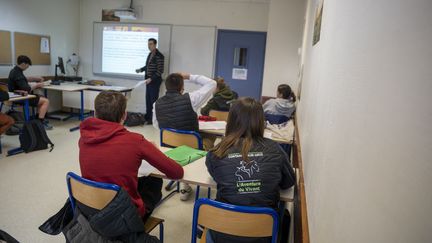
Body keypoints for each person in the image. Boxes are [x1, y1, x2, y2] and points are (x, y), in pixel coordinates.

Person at [79, 91, 184, 221]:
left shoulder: (84, 139)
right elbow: (177, 173)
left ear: (95, 113)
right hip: (125, 217)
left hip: (92, 208)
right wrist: (152, 150)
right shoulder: (136, 141)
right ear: (124, 115)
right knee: (154, 181)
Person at [205, 97, 296, 243]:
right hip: (263, 235)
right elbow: (288, 183)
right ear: (261, 122)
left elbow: (218, 176)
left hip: (222, 234)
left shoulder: (216, 152)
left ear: (231, 120)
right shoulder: (275, 149)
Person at [153, 72, 216, 200]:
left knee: (183, 139)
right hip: (192, 149)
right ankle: (194, 176)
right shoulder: (191, 99)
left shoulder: (156, 104)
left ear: (166, 87)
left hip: (169, 147)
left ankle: (184, 183)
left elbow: (157, 126)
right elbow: (212, 83)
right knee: (210, 138)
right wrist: (188, 76)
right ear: (182, 87)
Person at [8, 55, 52, 130]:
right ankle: (40, 124)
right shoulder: (17, 73)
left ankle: (37, 120)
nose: (27, 68)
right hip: (20, 98)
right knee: (46, 101)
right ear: (23, 64)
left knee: (42, 98)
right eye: (27, 66)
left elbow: (24, 79)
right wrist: (38, 84)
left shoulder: (15, 71)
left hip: (16, 95)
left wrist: (36, 78)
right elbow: (27, 89)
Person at [136, 38, 165, 124]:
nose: (149, 46)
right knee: (147, 100)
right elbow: (147, 66)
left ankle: (153, 119)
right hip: (148, 80)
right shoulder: (150, 54)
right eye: (148, 44)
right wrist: (141, 69)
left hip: (154, 82)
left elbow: (160, 71)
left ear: (155, 45)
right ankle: (148, 117)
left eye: (151, 44)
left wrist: (151, 79)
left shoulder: (159, 56)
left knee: (153, 101)